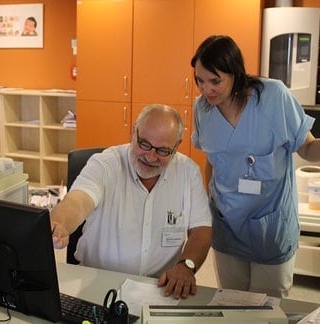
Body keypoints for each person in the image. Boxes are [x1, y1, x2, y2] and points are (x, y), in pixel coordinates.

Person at [190, 35, 320, 298]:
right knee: (232, 302)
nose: (206, 89)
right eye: (200, 81)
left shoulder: (273, 96)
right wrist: (207, 203)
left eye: (215, 81)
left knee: (268, 308)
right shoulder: (202, 108)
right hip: (227, 224)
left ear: (236, 73)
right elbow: (211, 161)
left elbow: (308, 148)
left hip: (270, 225)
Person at [51, 104, 212, 300]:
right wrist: (61, 224)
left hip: (159, 287)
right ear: (133, 132)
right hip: (98, 282)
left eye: (162, 151)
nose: (150, 156)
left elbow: (201, 229)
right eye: (144, 144)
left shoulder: (188, 172)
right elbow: (79, 200)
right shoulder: (105, 164)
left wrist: (186, 266)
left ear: (176, 146)